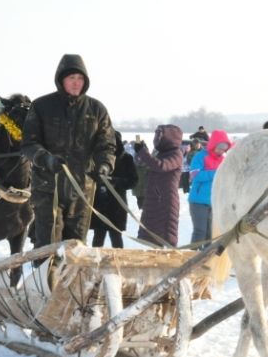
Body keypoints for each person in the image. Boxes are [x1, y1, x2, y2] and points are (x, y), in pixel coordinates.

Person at [21, 54, 116, 247]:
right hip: (48, 188)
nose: (76, 83)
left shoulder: (96, 109)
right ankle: (45, 276)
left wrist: (105, 165)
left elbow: (106, 145)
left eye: (80, 78)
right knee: (47, 246)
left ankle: (72, 278)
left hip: (82, 190)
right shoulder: (41, 106)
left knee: (76, 247)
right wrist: (45, 159)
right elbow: (29, 144)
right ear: (61, 79)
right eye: (71, 78)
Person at [135, 125, 184, 247]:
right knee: (152, 239)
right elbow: (146, 164)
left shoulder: (176, 154)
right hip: (154, 200)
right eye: (156, 135)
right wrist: (141, 152)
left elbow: (161, 166)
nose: (156, 138)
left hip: (165, 201)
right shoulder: (160, 153)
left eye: (159, 135)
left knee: (165, 239)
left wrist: (143, 153)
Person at [89, 131, 138, 249]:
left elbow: (133, 181)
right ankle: (95, 263)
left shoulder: (126, 158)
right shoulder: (96, 157)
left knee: (116, 236)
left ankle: (119, 263)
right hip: (100, 203)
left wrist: (116, 181)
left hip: (117, 204)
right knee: (98, 237)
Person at [188, 129, 232, 244]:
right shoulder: (200, 156)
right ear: (213, 144)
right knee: (200, 232)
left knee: (211, 235)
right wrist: (216, 172)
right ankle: (192, 257)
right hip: (198, 201)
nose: (221, 151)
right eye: (220, 147)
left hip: (215, 202)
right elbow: (195, 175)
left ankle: (208, 259)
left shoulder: (224, 159)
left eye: (224, 149)